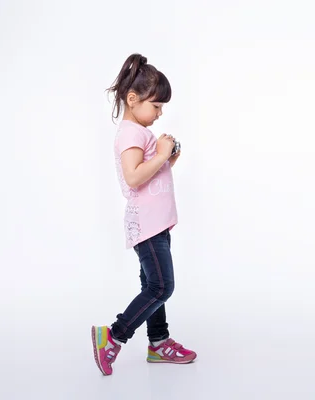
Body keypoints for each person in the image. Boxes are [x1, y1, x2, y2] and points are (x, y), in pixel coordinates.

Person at [91, 53, 197, 376]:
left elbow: (150, 177)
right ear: (132, 99)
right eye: (156, 106)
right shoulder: (130, 134)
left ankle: (158, 341)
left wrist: (169, 158)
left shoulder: (140, 133)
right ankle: (113, 336)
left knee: (153, 284)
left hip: (157, 224)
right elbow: (134, 177)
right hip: (148, 227)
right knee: (161, 287)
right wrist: (161, 154)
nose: (159, 113)